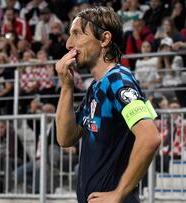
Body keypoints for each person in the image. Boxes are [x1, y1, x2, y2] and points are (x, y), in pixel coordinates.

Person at [55, 7, 161, 203]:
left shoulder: (117, 80)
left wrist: (118, 193)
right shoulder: (96, 87)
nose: (69, 44)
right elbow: (65, 138)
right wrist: (67, 86)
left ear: (104, 39)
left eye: (77, 34)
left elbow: (150, 137)